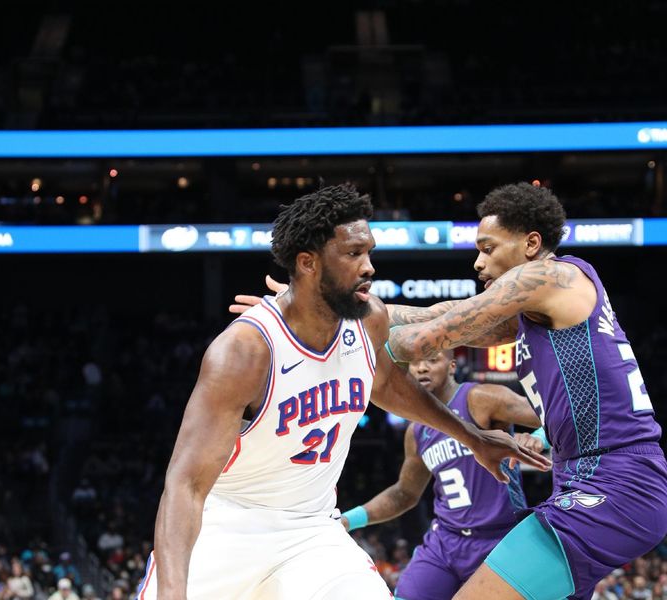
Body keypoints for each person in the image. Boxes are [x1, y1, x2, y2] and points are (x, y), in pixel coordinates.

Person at [140, 183, 548, 600]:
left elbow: (388, 385)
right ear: (308, 263)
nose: (369, 266)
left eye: (368, 251)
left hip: (310, 528)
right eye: (354, 254)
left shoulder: (368, 319)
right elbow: (186, 485)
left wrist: (474, 438)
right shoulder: (244, 352)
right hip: (227, 527)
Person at [384, 183, 667, 600]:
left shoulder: (548, 276)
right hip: (589, 478)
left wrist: (351, 343)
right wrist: (326, 306)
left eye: (488, 248)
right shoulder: (534, 309)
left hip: (614, 481)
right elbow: (427, 313)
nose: (478, 262)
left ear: (532, 243)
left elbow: (425, 337)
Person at [339, 350, 543, 600]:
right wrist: (348, 520)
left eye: (432, 360)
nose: (421, 368)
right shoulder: (416, 431)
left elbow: (551, 415)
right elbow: (404, 493)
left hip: (498, 539)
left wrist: (538, 438)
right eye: (415, 362)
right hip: (445, 539)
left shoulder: (480, 398)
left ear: (451, 365)